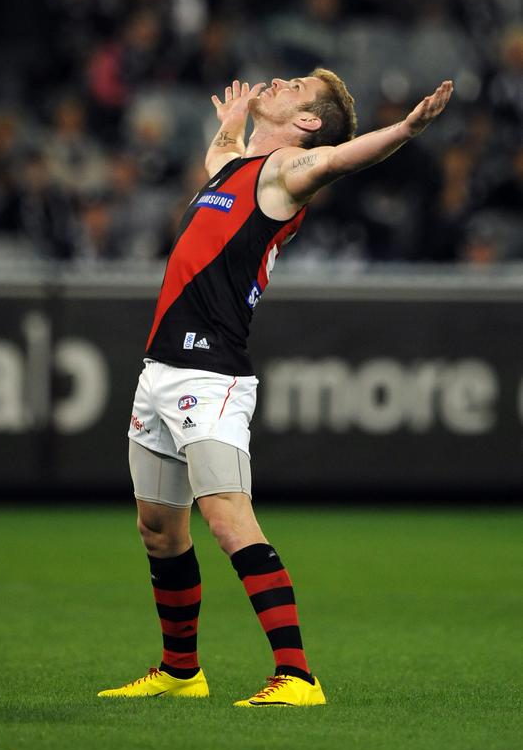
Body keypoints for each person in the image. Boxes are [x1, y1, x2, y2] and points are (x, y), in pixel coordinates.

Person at [98, 70, 453, 706]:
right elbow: (219, 159)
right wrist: (233, 125)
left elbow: (344, 158)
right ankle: (182, 672)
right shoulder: (239, 168)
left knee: (229, 519)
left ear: (310, 122)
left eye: (295, 87)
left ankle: (297, 675)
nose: (280, 80)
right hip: (161, 370)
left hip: (211, 377)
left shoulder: (290, 170)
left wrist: (404, 130)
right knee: (159, 529)